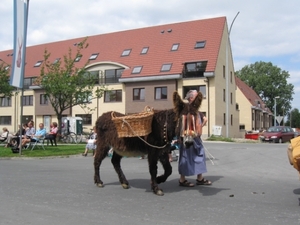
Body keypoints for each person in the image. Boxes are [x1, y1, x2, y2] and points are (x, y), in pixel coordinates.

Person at [178, 90, 212, 187]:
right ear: (191, 98)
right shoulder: (185, 109)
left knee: (199, 156)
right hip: (186, 138)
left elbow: (205, 119)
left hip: (196, 138)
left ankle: (199, 178)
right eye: (197, 97)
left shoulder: (197, 111)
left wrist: (200, 127)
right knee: (185, 158)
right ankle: (182, 179)